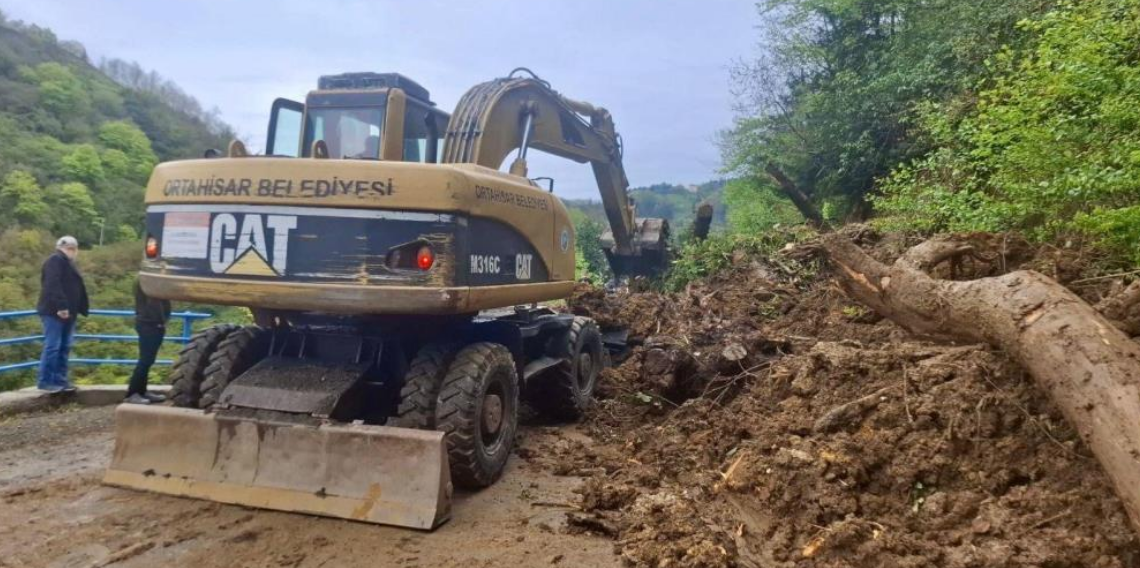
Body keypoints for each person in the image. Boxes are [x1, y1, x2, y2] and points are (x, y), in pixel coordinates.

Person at [35, 236, 89, 393]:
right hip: (54, 312)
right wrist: (62, 306)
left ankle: (60, 380)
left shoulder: (67, 263)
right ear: (60, 247)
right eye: (69, 248)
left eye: (73, 248)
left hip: (68, 313)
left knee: (64, 346)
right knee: (53, 346)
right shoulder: (55, 260)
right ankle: (46, 381)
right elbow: (52, 284)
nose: (72, 251)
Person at [125, 279, 170, 404]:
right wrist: (160, 320)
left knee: (148, 360)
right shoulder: (146, 281)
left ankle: (142, 391)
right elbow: (153, 305)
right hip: (149, 324)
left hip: (154, 323)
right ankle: (132, 393)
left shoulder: (153, 282)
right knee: (145, 360)